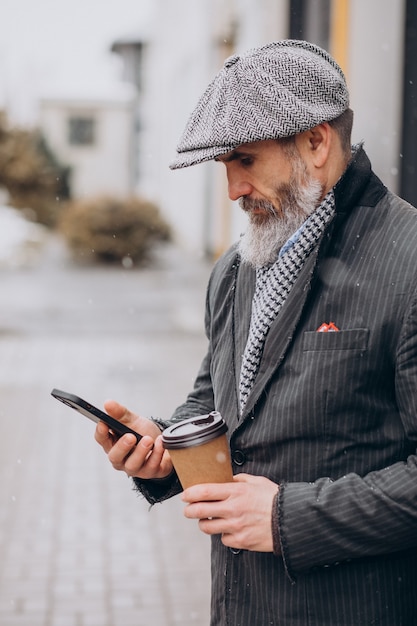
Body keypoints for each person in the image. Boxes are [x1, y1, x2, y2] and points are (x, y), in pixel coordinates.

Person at [95, 40, 417, 625]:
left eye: (245, 160)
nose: (233, 190)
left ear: (316, 142)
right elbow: (214, 403)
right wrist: (163, 447)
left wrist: (287, 517)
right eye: (226, 167)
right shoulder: (236, 269)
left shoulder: (410, 261)